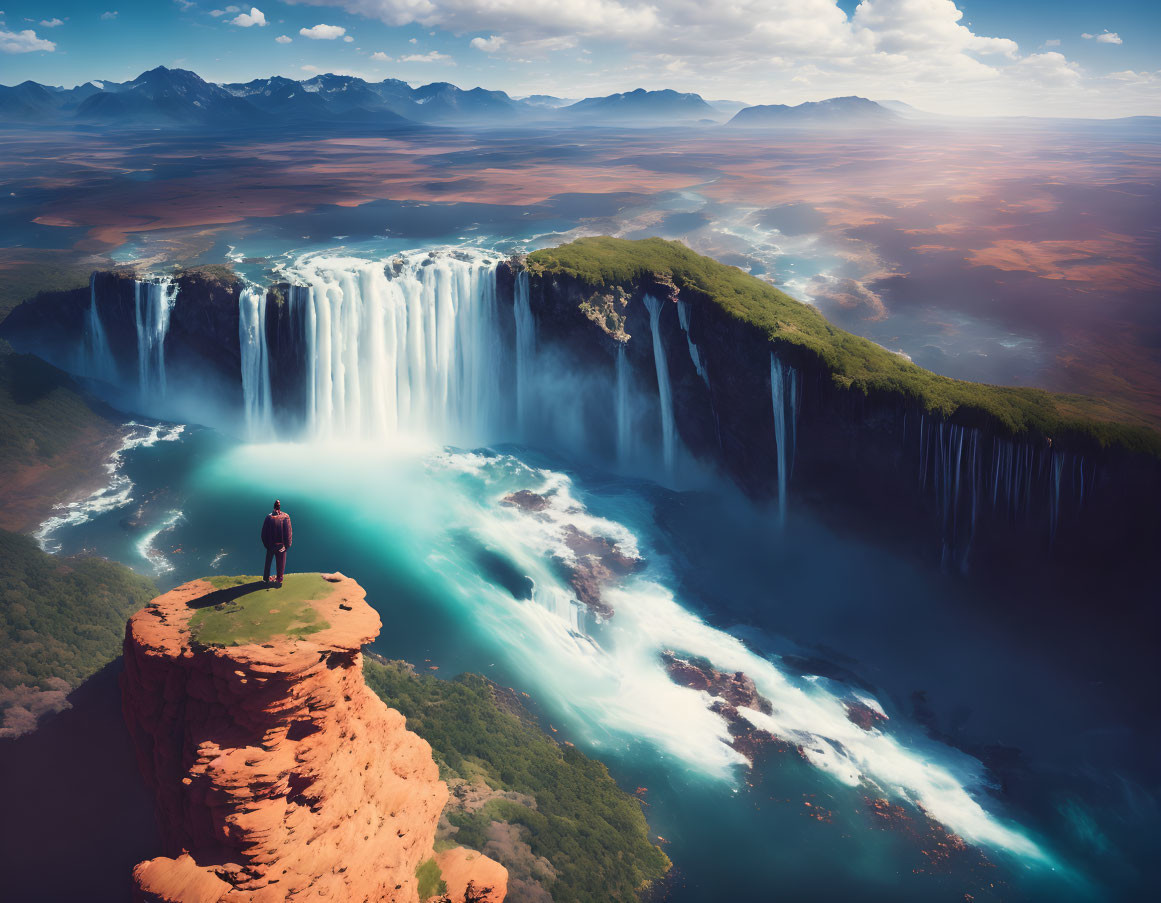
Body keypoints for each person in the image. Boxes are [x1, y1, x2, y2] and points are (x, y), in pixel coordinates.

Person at [261, 499, 293, 586]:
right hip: (277, 545)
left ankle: (269, 579)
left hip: (274, 545)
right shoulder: (285, 517)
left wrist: (286, 546)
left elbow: (264, 534)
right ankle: (275, 579)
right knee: (279, 563)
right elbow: (288, 532)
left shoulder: (269, 517)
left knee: (274, 563)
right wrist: (286, 546)